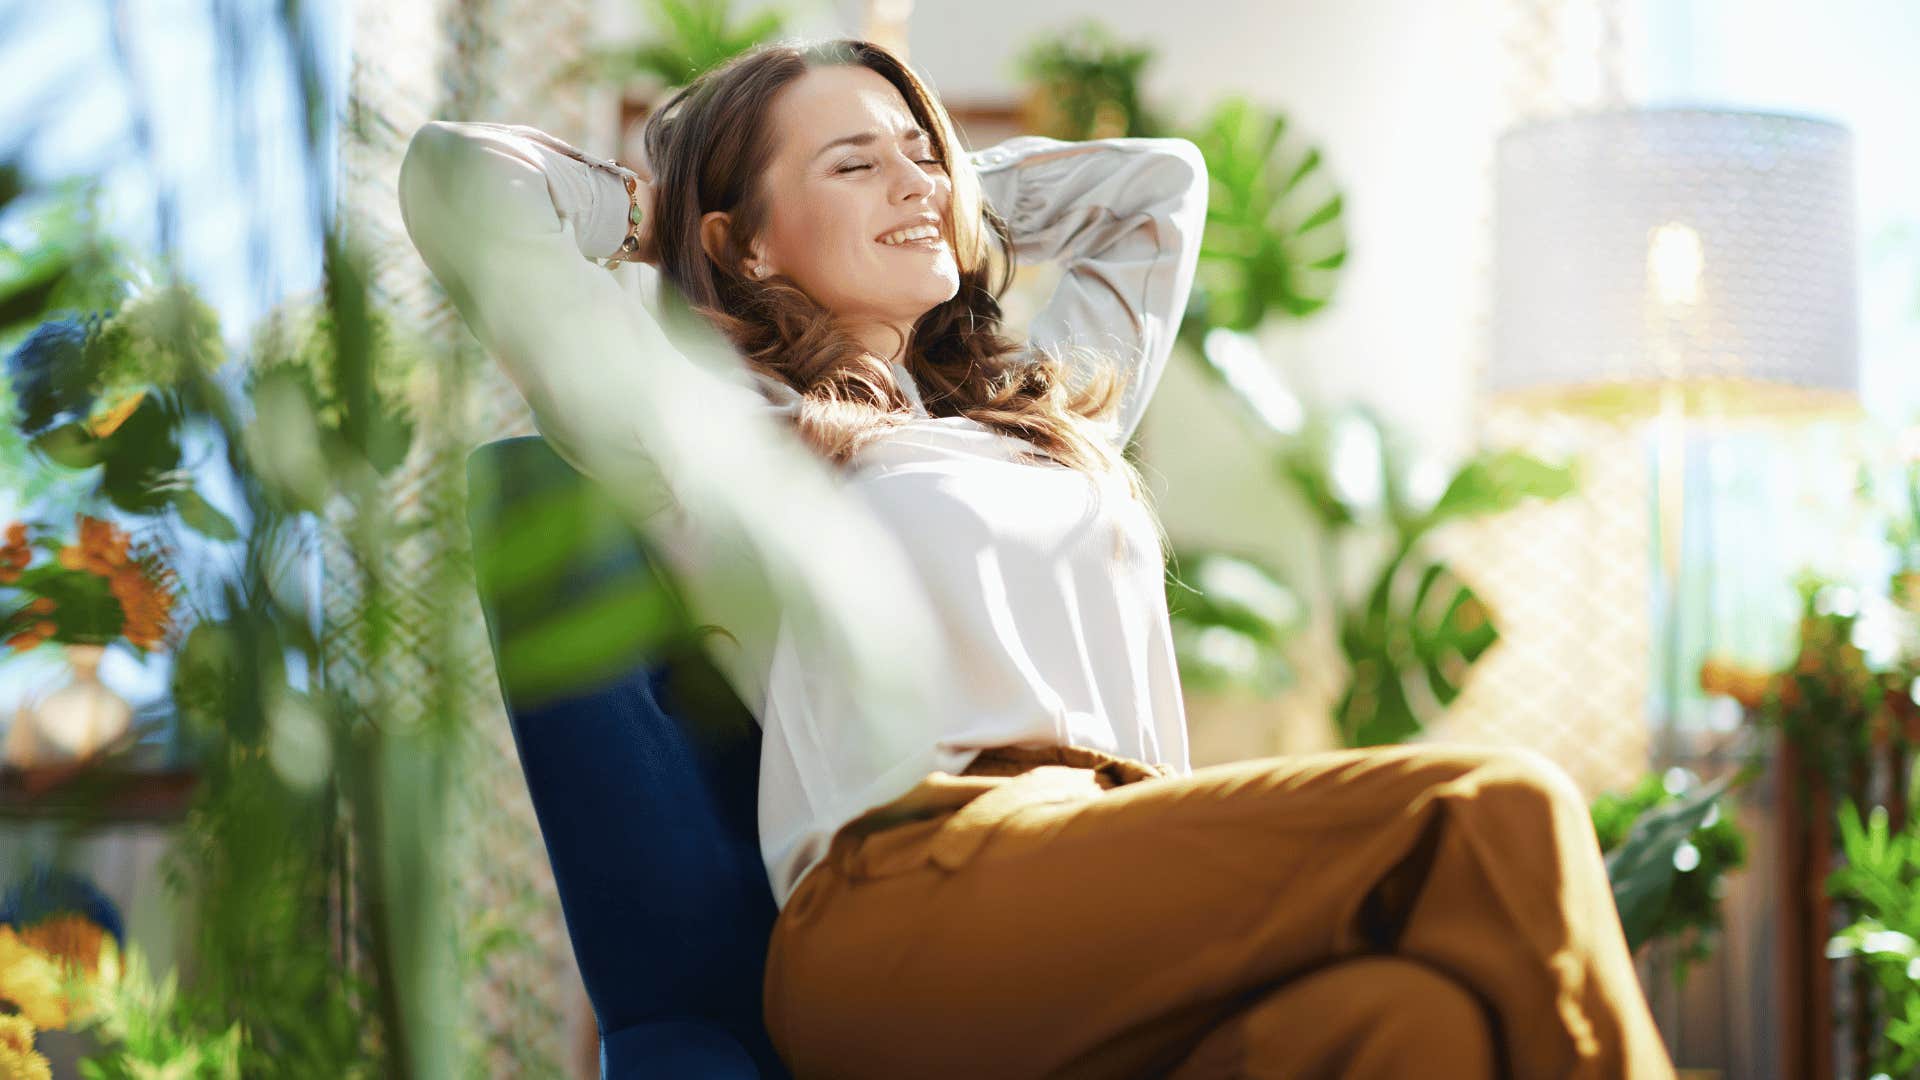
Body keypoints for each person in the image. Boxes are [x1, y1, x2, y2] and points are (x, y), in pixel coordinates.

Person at [397, 35, 1676, 1080]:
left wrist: (929, 189)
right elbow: (458, 182)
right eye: (856, 164)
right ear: (745, 241)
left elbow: (1160, 190)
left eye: (923, 153)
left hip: (1116, 870)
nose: (914, 183)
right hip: (908, 904)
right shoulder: (714, 433)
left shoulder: (1045, 418)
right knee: (1495, 810)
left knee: (1413, 1032)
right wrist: (673, 215)